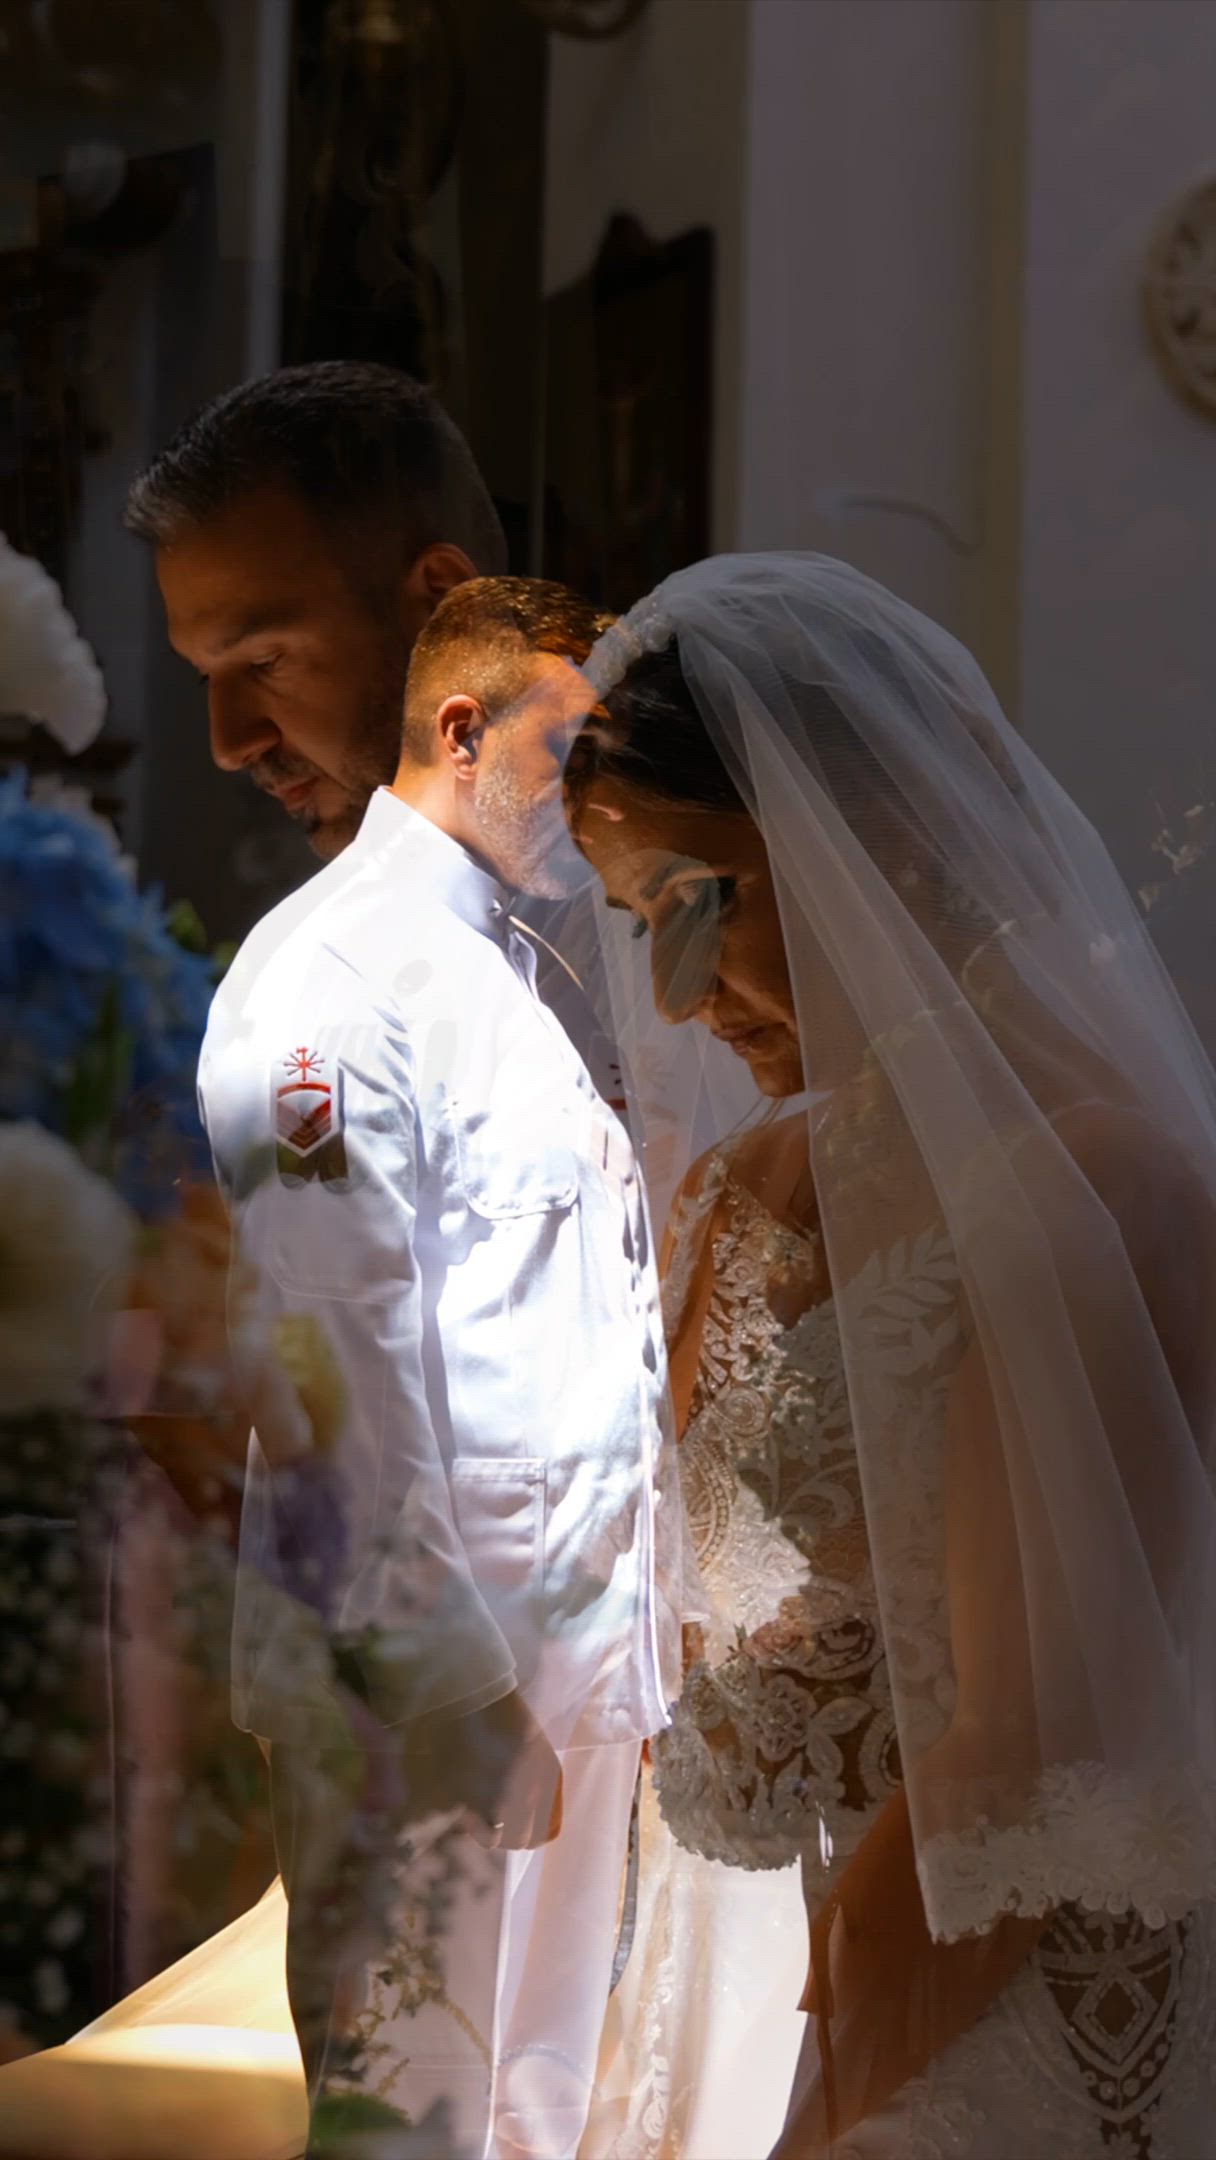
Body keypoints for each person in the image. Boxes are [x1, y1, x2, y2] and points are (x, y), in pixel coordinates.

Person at [547, 552, 1216, 2157]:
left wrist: (821, 2115)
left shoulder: (1096, 1186)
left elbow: (1029, 1755)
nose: (679, 997)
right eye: (642, 925)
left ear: (884, 835)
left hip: (1011, 2007)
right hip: (796, 1972)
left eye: (705, 904)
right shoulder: (742, 1199)